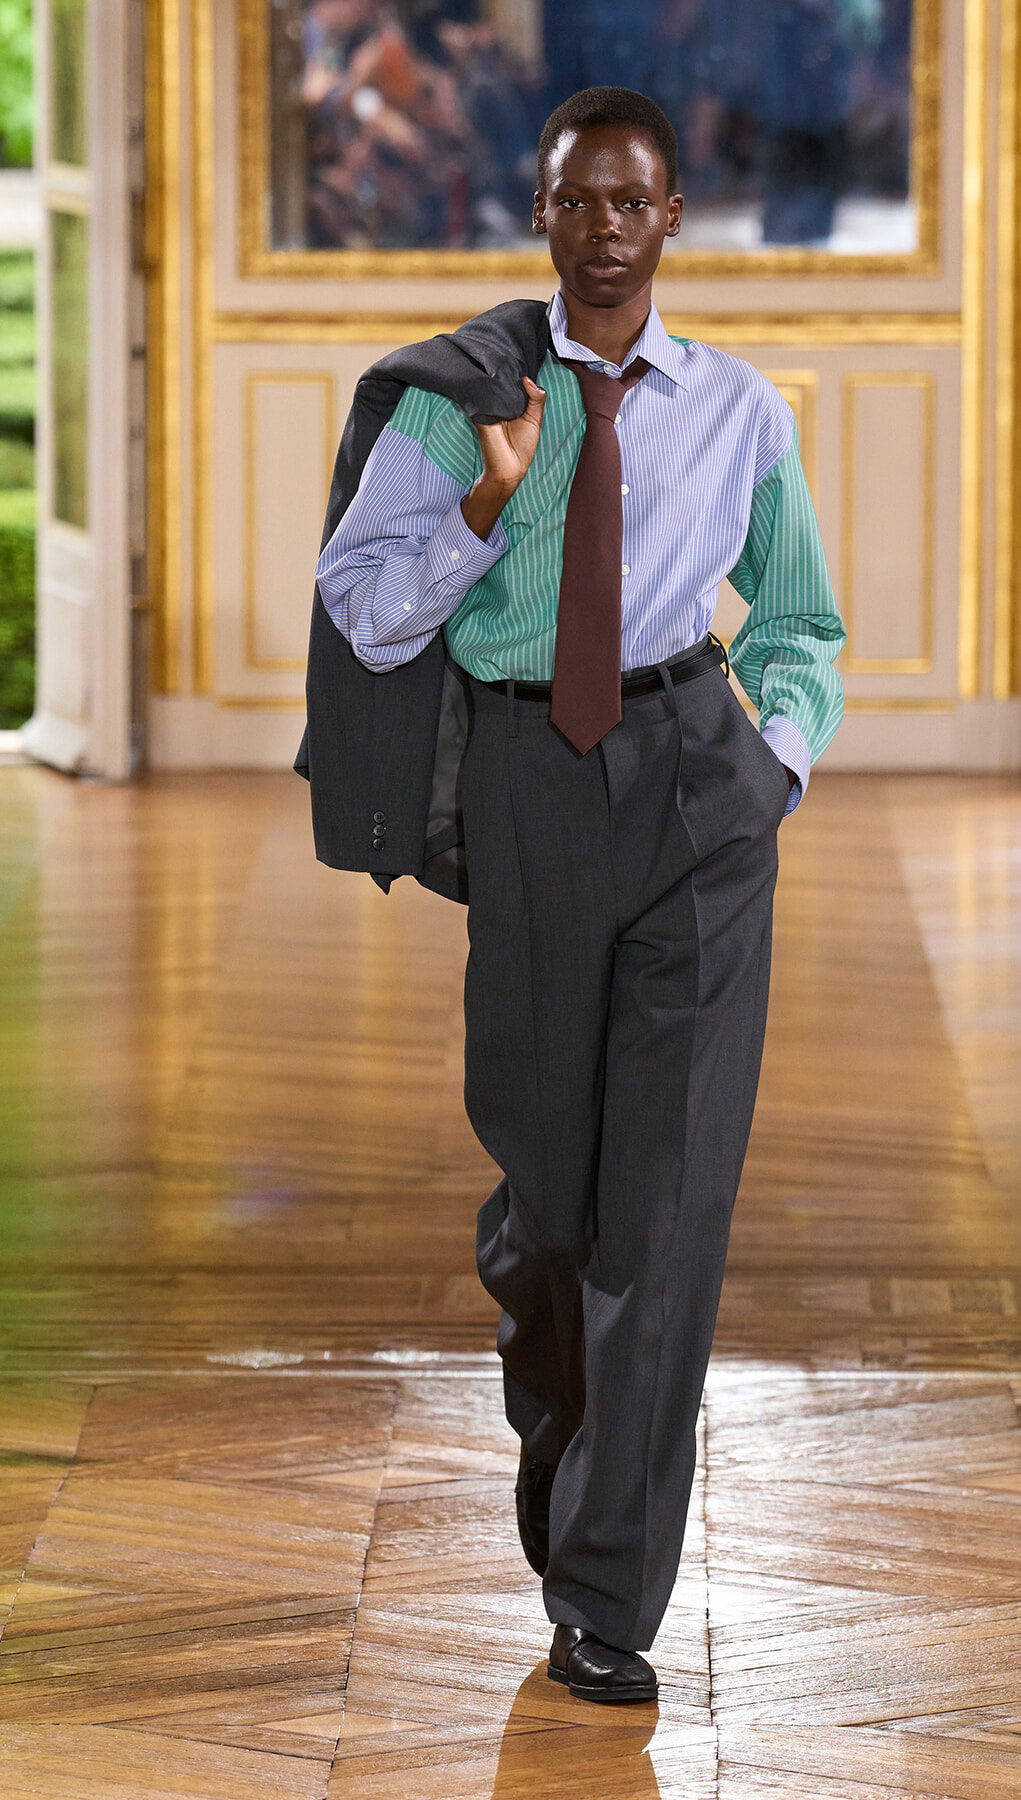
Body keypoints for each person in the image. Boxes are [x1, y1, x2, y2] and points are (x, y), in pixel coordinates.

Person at [314, 85, 844, 1704]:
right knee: (553, 1209)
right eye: (576, 201)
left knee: (663, 1214)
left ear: (671, 217)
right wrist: (488, 499)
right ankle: (565, 1437)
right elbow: (366, 612)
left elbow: (799, 624)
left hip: (696, 788)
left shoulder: (740, 409)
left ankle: (609, 1595)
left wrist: (775, 770)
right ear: (539, 215)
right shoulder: (459, 401)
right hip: (529, 786)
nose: (605, 229)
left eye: (633, 202)